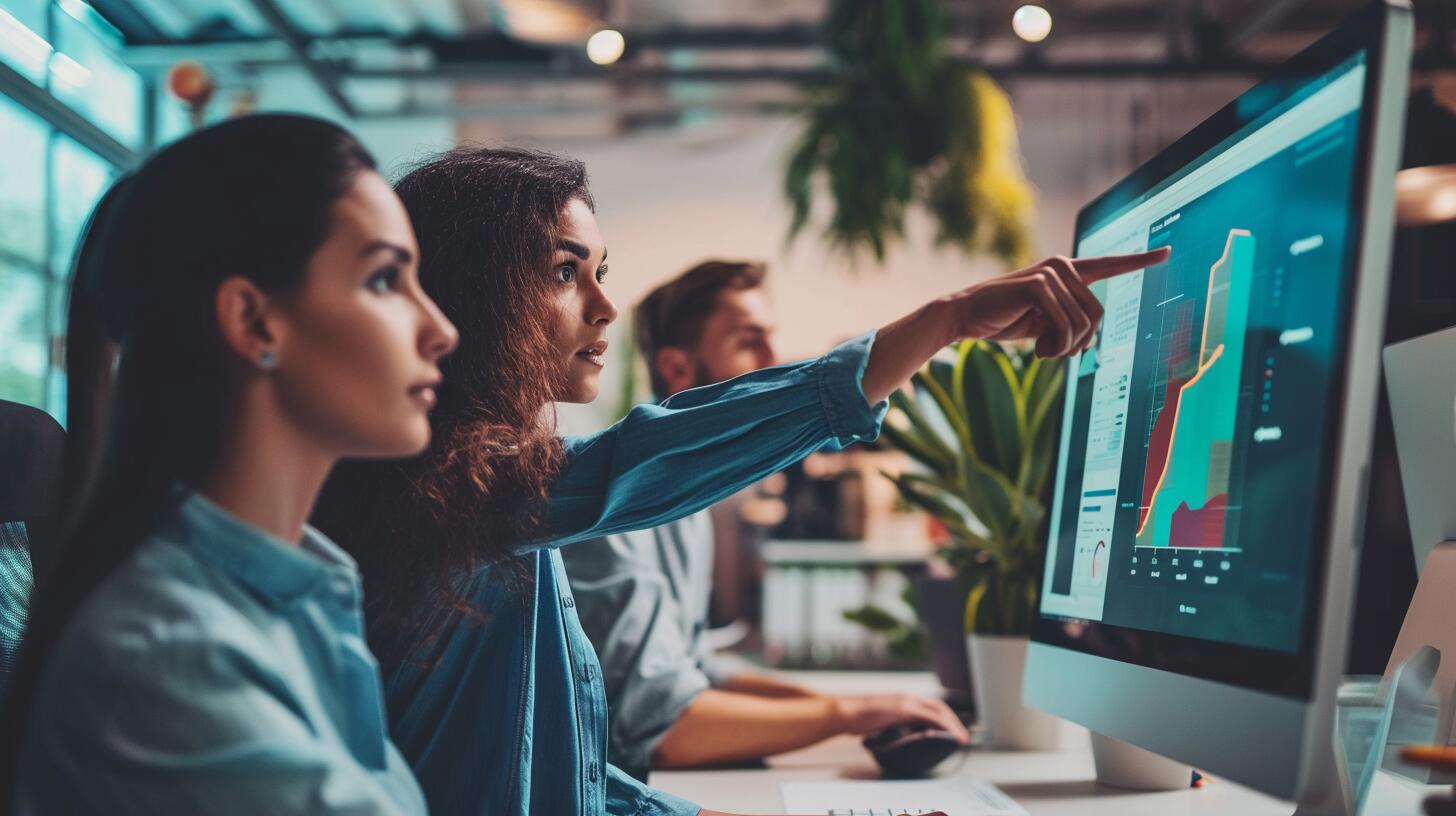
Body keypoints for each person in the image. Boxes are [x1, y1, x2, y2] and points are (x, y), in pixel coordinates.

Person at [313, 145, 1169, 816]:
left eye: (600, 274)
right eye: (565, 272)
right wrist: (940, 322)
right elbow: (630, 463)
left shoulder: (507, 514)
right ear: (472, 291)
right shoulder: (449, 493)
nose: (604, 308)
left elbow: (559, 781)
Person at [2, 114, 459, 814]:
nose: (440, 328)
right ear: (252, 322)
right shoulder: (169, 658)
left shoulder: (292, 593)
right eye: (383, 280)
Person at [562, 259, 967, 777]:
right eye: (749, 341)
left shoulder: (690, 508)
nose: (775, 360)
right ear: (678, 369)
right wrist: (843, 715)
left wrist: (858, 706)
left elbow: (696, 671)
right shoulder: (620, 508)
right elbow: (665, 727)